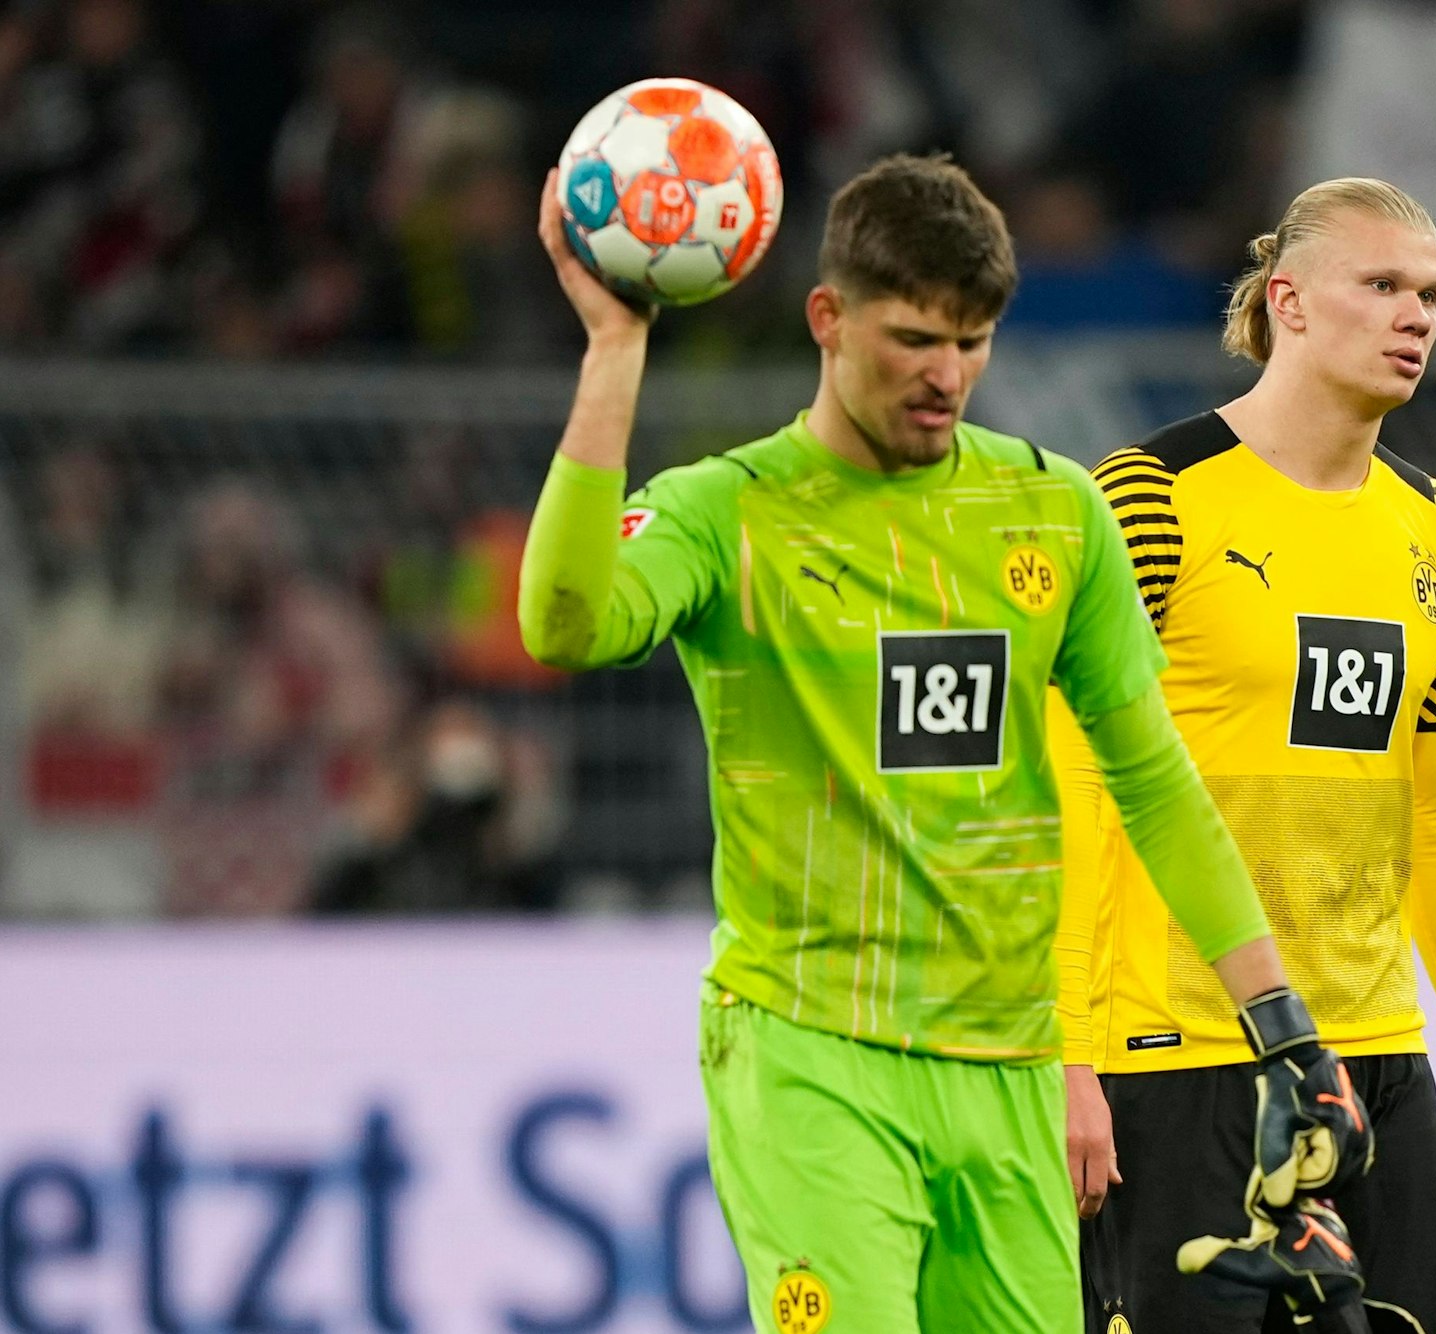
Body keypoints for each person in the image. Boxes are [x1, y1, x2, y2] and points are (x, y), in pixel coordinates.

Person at [519, 153, 1368, 1333]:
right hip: (814, 1050)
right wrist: (615, 352)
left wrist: (1279, 1020)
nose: (947, 375)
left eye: (972, 342)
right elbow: (563, 623)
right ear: (829, 318)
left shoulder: (1054, 511)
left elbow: (1152, 779)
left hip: (1010, 1066)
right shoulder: (730, 509)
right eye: (916, 338)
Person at [1051, 177, 1436, 1334]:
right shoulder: (1151, 495)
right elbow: (1064, 780)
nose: (1417, 316)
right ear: (1289, 302)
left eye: (1432, 295)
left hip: (1371, 1055)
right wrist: (1058, 1050)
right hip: (1175, 1053)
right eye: (1383, 286)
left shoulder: (1434, 526)